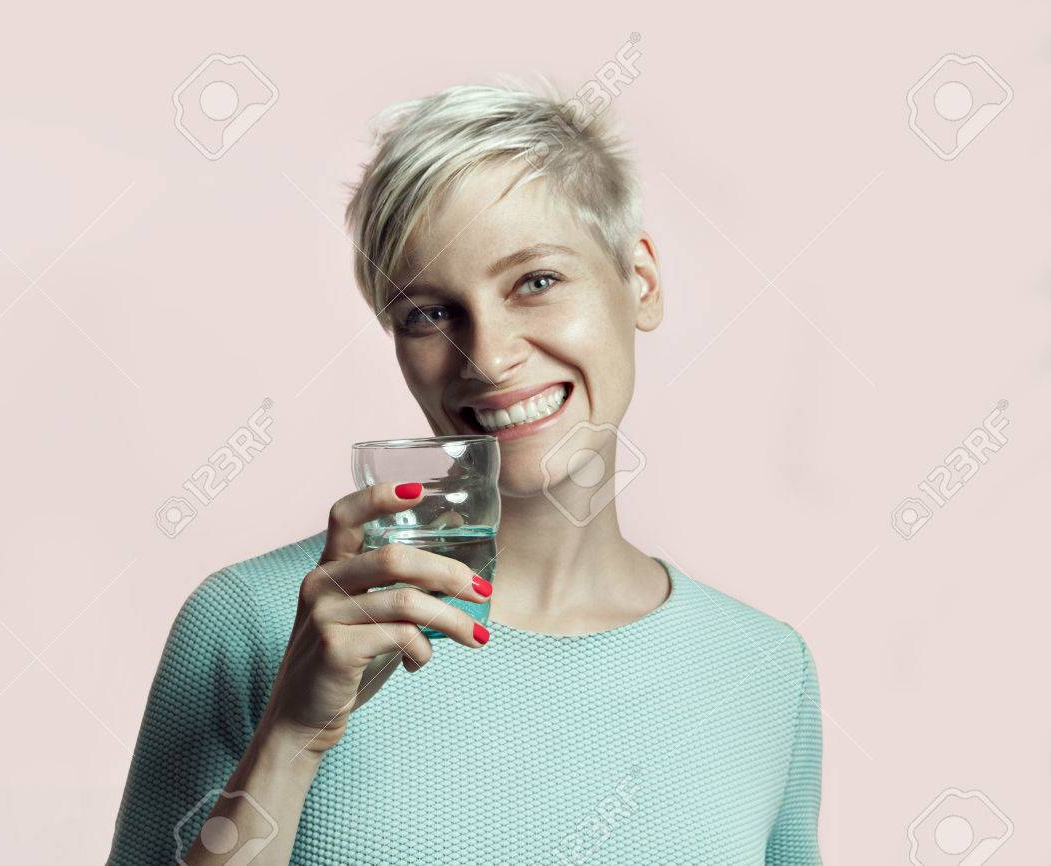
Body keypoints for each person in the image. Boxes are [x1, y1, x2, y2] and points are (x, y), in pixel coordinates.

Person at [106, 81, 822, 865]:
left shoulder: (763, 669)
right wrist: (296, 736)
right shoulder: (255, 622)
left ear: (640, 282)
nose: (489, 355)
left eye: (536, 282)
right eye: (429, 313)